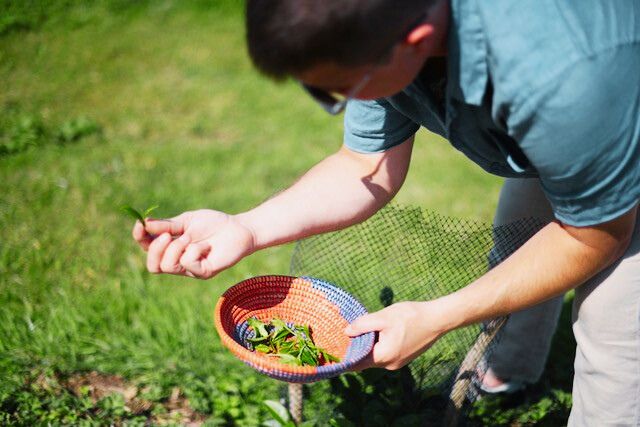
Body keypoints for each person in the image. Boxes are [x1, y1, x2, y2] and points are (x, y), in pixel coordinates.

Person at [132, 0, 640, 424]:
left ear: (416, 42)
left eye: (339, 89)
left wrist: (438, 317)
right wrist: (245, 227)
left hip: (614, 115)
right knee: (521, 244)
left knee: (614, 344)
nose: (334, 100)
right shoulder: (381, 22)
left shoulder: (566, 74)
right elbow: (365, 163)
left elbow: (593, 233)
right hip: (573, 133)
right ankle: (507, 379)